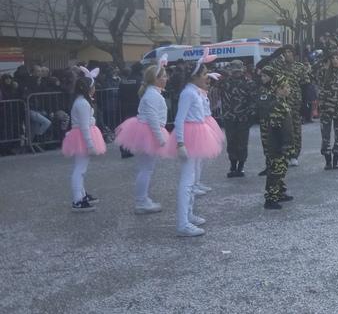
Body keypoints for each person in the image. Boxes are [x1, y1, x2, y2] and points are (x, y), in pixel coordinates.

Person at [162, 53, 223, 237]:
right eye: (204, 73)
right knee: (187, 181)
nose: (207, 76)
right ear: (195, 76)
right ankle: (182, 223)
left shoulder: (193, 91)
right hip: (189, 137)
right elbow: (179, 120)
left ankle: (188, 215)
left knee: (192, 178)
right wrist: (180, 143)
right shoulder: (188, 93)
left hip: (195, 134)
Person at [114, 60, 169, 214]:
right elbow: (152, 119)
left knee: (145, 168)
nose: (166, 79)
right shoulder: (152, 95)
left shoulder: (152, 93)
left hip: (146, 130)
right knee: (146, 169)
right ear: (156, 79)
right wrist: (160, 138)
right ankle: (141, 201)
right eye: (163, 76)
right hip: (148, 132)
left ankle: (143, 199)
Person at [62, 67, 107, 212]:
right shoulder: (83, 103)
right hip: (81, 137)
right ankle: (77, 199)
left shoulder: (81, 102)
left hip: (80, 136)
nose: (94, 89)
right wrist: (90, 145)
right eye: (93, 87)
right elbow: (84, 126)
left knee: (81, 168)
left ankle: (81, 194)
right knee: (80, 169)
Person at [255, 61, 293, 209]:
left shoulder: (281, 102)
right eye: (287, 87)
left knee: (281, 170)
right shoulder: (277, 104)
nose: (289, 89)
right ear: (279, 89)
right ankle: (271, 198)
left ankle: (279, 193)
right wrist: (283, 145)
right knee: (275, 171)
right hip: (277, 146)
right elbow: (277, 128)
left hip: (280, 145)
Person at [315, 51, 338, 169]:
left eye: (337, 58)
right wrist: (321, 62)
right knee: (325, 136)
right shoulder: (324, 73)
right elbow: (313, 75)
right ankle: (327, 161)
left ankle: (336, 160)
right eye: (333, 58)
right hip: (326, 109)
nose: (335, 60)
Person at [221, 60, 256, 178]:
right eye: (234, 70)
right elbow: (214, 77)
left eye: (238, 70)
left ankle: (240, 167)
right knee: (231, 142)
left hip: (243, 118)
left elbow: (253, 100)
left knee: (242, 143)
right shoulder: (224, 82)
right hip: (229, 117)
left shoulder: (249, 83)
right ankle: (232, 166)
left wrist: (250, 115)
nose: (236, 73)